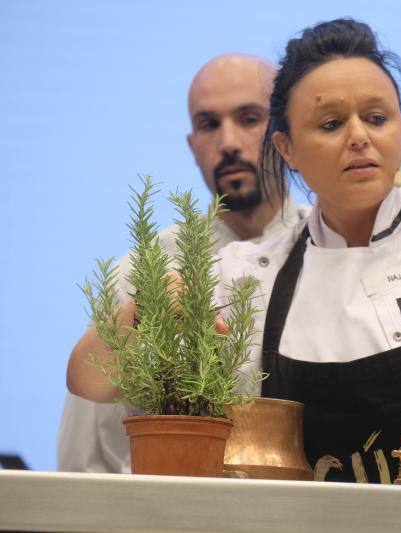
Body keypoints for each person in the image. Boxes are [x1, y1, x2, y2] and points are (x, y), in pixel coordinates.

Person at [67, 19, 401, 485]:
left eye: (377, 117)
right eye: (331, 124)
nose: (359, 136)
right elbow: (88, 378)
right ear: (286, 149)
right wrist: (148, 310)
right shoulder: (249, 275)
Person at [58, 53, 310, 473]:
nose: (228, 142)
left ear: (286, 134)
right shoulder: (144, 273)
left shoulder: (326, 250)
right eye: (209, 124)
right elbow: (85, 457)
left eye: (249, 118)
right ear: (193, 146)